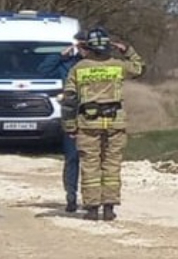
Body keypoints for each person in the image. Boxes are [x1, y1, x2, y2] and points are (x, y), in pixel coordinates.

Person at [59, 27, 144, 222]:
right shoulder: (118, 66)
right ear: (107, 46)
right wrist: (127, 49)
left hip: (88, 124)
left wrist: (70, 127)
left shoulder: (78, 68)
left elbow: (69, 100)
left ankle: (91, 208)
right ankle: (109, 208)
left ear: (88, 47)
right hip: (115, 123)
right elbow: (139, 67)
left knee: (90, 166)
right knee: (112, 165)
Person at [57, 37, 84, 212]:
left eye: (84, 44)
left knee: (93, 161)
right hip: (72, 116)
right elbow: (45, 69)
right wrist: (61, 56)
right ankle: (71, 196)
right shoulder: (68, 64)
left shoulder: (98, 64)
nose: (82, 48)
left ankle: (93, 199)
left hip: (93, 117)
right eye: (79, 45)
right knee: (72, 158)